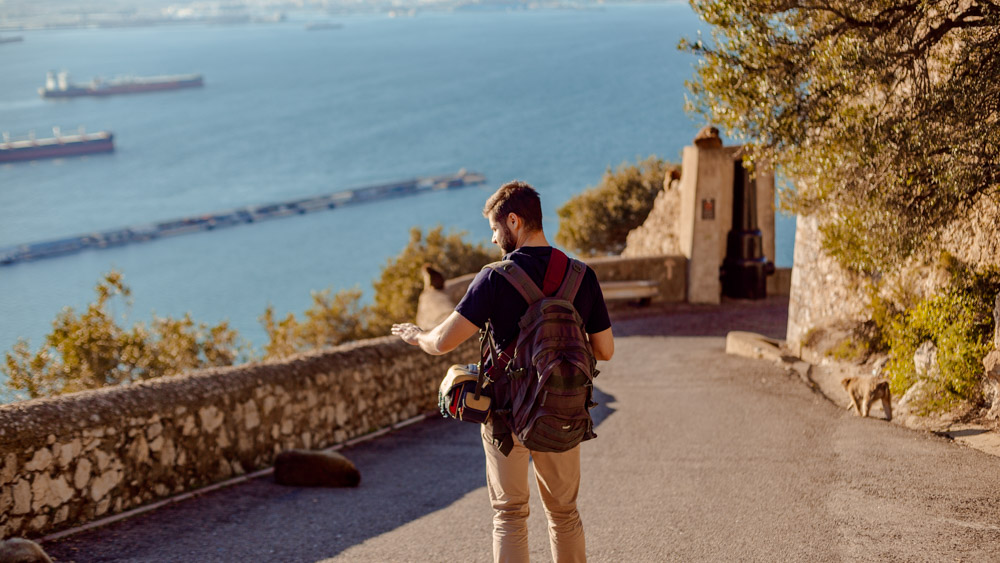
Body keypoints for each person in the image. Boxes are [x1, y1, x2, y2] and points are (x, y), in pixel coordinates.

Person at [391, 180, 614, 563]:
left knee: (510, 515)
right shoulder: (582, 275)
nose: (494, 239)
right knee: (563, 514)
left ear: (514, 221)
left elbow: (442, 342)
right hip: (561, 409)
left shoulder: (495, 277)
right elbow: (605, 351)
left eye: (495, 229)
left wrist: (417, 336)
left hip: (506, 416)